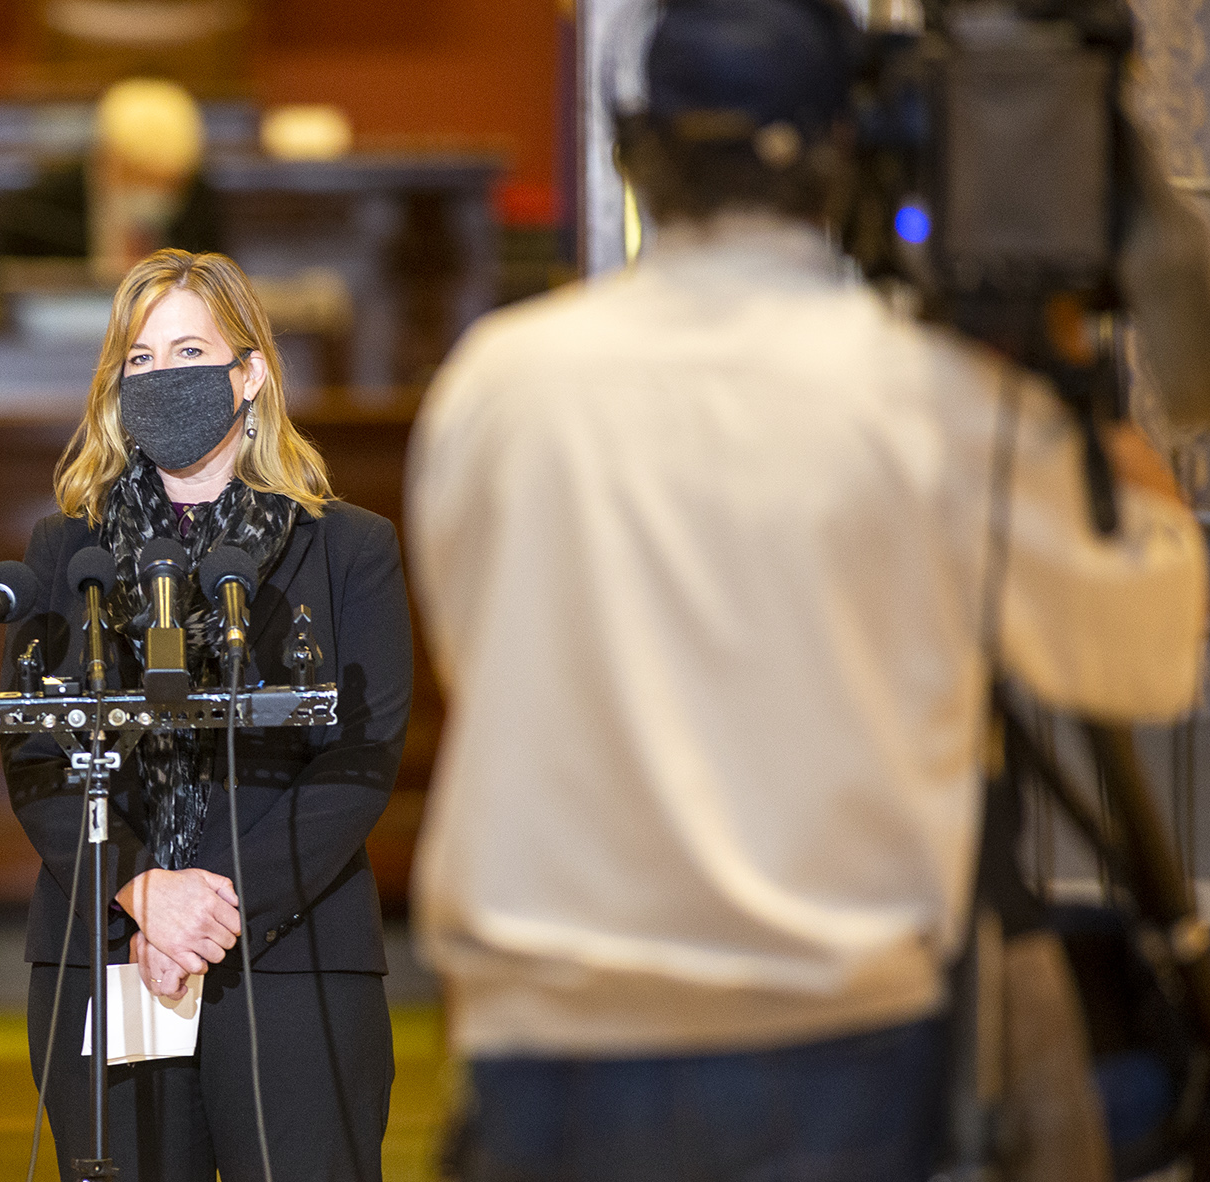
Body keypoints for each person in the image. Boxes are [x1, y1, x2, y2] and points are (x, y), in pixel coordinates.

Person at [405, 0, 1209, 1178]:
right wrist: (1074, 378)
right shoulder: (933, 403)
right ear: (855, 148)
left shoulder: (499, 384)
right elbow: (1143, 652)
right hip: (831, 1036)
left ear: (635, 149)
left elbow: (475, 662)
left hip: (543, 1031)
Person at [1, 248, 412, 1181]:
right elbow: (36, 753)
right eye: (139, 361)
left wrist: (207, 908)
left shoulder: (350, 549)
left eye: (189, 352)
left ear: (251, 372)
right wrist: (144, 889)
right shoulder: (67, 550)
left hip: (293, 948)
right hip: (106, 941)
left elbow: (362, 757)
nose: (162, 379)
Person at [0, 78, 225, 283]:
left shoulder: (200, 204)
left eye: (169, 183)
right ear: (106, 159)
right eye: (139, 176)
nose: (153, 193)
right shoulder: (38, 210)